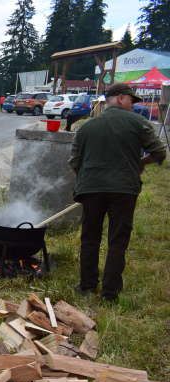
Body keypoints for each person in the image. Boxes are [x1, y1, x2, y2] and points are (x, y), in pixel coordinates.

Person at [68, 83, 166, 301]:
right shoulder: (138, 123)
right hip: (124, 189)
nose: (132, 106)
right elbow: (159, 153)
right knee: (118, 240)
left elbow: (74, 161)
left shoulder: (85, 127)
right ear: (120, 98)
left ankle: (87, 286)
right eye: (131, 101)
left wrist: (87, 178)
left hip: (91, 188)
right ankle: (110, 293)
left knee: (90, 238)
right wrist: (141, 163)